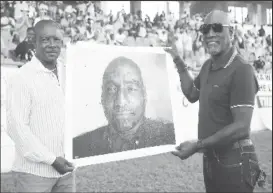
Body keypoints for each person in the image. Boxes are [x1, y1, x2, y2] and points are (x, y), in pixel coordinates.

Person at [165, 10, 266, 192]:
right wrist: (178, 60)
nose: (210, 33)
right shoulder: (207, 66)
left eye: (218, 28)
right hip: (212, 159)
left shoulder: (242, 69)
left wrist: (197, 145)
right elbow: (191, 94)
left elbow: (242, 126)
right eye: (205, 29)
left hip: (235, 161)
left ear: (232, 33)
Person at [6, 20, 75, 192]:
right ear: (33, 42)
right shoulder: (22, 77)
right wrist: (52, 160)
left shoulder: (70, 73)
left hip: (66, 171)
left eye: (56, 40)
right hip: (33, 174)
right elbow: (17, 128)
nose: (52, 45)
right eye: (45, 40)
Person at [73, 56, 175, 159]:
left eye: (131, 88)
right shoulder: (78, 147)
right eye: (111, 89)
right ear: (102, 97)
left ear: (144, 94)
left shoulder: (171, 137)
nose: (120, 102)